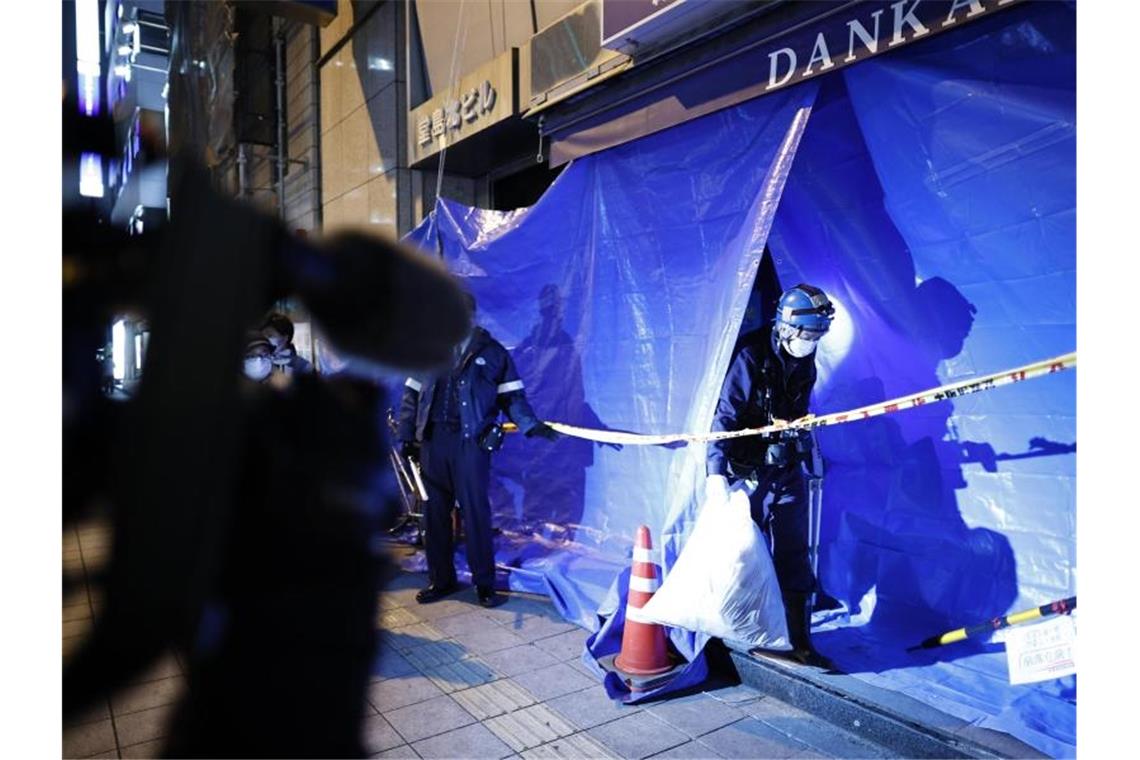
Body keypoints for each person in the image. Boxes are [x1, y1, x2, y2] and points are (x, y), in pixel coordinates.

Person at [397, 292, 559, 607]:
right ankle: (441, 580)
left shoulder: (493, 353)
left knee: (475, 514)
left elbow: (512, 398)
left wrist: (531, 425)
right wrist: (407, 434)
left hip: (470, 444)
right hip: (432, 443)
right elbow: (410, 396)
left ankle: (484, 584)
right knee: (435, 516)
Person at [707, 283, 835, 667]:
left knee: (794, 552)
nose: (811, 343)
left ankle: (798, 642)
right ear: (786, 327)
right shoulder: (751, 355)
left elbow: (798, 406)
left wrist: (799, 431)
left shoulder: (804, 357)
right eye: (808, 335)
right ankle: (726, 631)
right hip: (747, 473)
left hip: (786, 468)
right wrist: (715, 472)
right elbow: (724, 417)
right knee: (742, 554)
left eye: (818, 336)